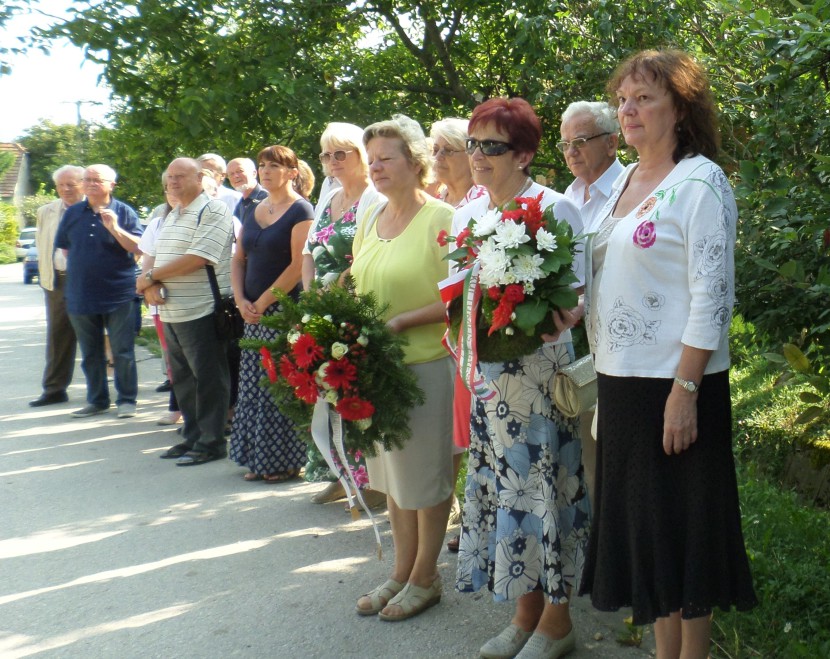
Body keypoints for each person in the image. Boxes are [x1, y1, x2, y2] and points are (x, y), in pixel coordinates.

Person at [575, 50, 757, 659]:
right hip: (622, 383)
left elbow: (713, 297)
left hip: (674, 385)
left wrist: (686, 392)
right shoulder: (623, 180)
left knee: (685, 539)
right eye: (623, 99)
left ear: (679, 108)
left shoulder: (701, 182)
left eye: (645, 98)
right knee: (650, 541)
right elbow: (608, 273)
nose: (628, 109)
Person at [453, 98, 590, 659]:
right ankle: (523, 613)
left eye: (493, 146)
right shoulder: (468, 212)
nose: (479, 156)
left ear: (526, 153)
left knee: (543, 494)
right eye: (473, 143)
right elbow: (455, 295)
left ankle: (556, 623)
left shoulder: (555, 208)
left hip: (538, 378)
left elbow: (573, 297)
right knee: (505, 494)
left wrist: (528, 307)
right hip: (489, 381)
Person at [350, 115, 455, 622]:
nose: (376, 168)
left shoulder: (442, 219)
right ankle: (400, 570)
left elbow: (461, 297)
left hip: (427, 365)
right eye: (371, 160)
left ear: (415, 163)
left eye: (386, 158)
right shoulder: (372, 219)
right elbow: (357, 280)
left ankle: (426, 577)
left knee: (426, 481)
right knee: (392, 479)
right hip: (378, 371)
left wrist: (400, 323)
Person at [300, 122, 385, 506]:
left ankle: (375, 481)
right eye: (325, 155)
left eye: (340, 153)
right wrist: (309, 301)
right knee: (329, 391)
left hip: (355, 304)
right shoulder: (328, 196)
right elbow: (308, 252)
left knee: (358, 391)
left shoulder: (374, 197)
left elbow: (368, 254)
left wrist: (335, 296)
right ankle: (343, 473)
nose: (332, 162)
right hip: (323, 306)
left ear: (361, 156)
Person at [137, 157, 234, 466]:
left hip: (201, 308)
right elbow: (154, 257)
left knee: (208, 378)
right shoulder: (171, 214)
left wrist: (151, 279)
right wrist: (149, 286)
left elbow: (198, 258)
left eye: (181, 176)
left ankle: (211, 441)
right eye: (169, 177)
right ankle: (192, 436)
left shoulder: (213, 210)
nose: (173, 182)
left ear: (200, 178)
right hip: (170, 310)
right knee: (182, 379)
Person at [228, 145, 313, 482]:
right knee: (254, 385)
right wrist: (239, 299)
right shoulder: (253, 208)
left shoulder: (301, 210)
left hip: (282, 311)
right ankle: (259, 460)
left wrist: (263, 302)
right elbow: (238, 258)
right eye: (262, 165)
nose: (265, 170)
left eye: (274, 165)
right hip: (250, 312)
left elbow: (297, 265)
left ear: (292, 172)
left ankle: (285, 462)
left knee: (279, 385)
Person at [428, 117, 487, 553]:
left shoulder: (482, 201)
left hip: (471, 334)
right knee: (456, 434)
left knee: (473, 429)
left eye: (446, 151)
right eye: (435, 151)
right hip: (445, 331)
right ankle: (469, 517)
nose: (438, 160)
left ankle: (478, 520)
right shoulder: (438, 199)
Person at [54, 164, 143, 419]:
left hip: (118, 293)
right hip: (81, 294)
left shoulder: (124, 212)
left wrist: (114, 228)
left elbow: (139, 248)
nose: (91, 183)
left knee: (122, 350)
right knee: (90, 352)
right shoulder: (72, 214)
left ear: (111, 185)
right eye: (87, 179)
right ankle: (97, 400)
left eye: (97, 179)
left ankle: (127, 400)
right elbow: (65, 248)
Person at [29, 165, 84, 408]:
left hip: (89, 280)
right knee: (58, 333)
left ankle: (103, 391)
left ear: (83, 183)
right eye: (61, 185)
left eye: (71, 184)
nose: (65, 189)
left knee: (97, 334)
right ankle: (54, 389)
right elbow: (42, 243)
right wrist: (45, 277)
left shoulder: (93, 209)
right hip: (57, 279)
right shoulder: (46, 211)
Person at [139, 174, 183, 426]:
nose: (173, 193)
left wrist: (151, 277)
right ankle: (176, 406)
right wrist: (149, 285)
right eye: (168, 189)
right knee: (173, 358)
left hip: (194, 300)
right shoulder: (157, 224)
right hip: (163, 301)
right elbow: (147, 263)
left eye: (177, 186)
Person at [559, 101, 625, 233]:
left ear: (611, 143)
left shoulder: (627, 189)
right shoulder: (571, 193)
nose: (571, 152)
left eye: (579, 142)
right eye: (565, 144)